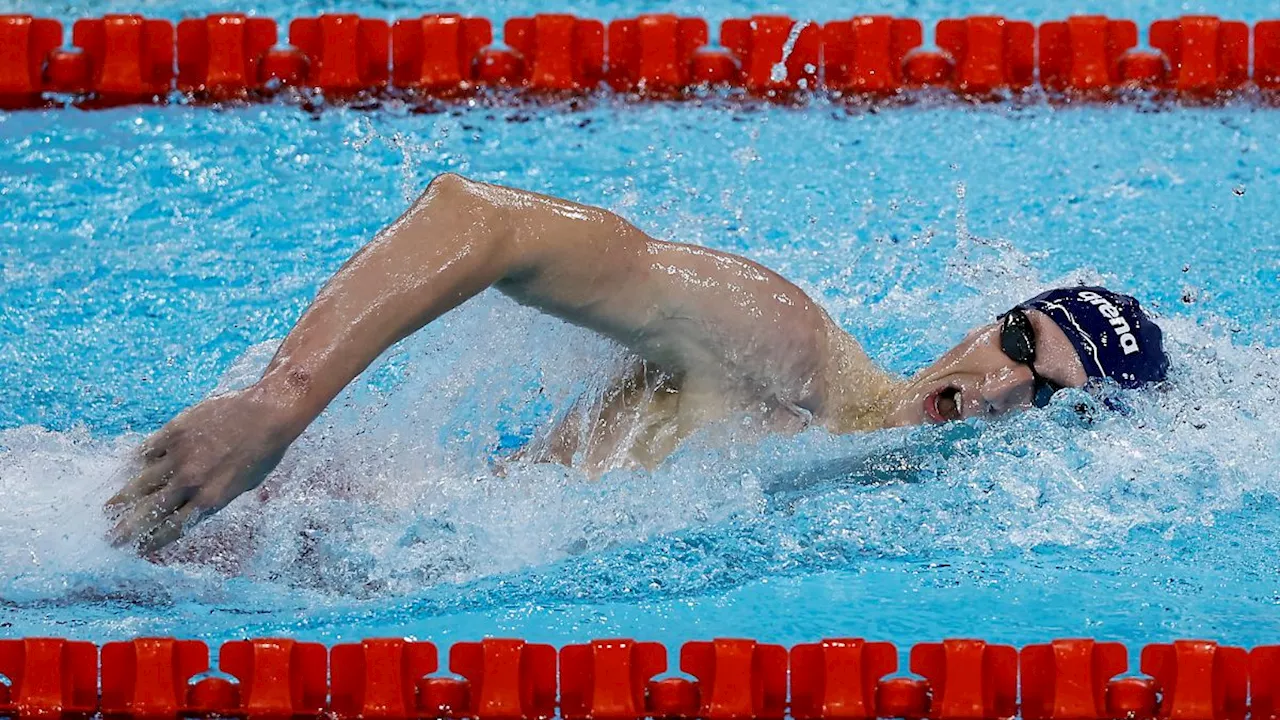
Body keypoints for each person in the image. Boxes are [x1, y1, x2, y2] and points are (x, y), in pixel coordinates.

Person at [105, 174, 1169, 553]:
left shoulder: (896, 530)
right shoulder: (781, 348)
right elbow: (478, 219)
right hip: (273, 520)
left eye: (1046, 400)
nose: (996, 388)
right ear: (989, 321)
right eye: (1018, 344)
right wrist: (272, 408)